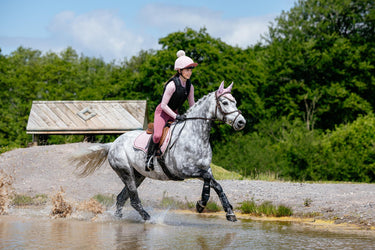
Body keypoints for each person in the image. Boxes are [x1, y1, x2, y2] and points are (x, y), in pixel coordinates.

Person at [145, 50, 198, 171]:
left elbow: (192, 105)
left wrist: (195, 116)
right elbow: (163, 105)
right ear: (180, 71)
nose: (189, 73)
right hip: (162, 113)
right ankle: (148, 158)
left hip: (174, 113)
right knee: (158, 135)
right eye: (187, 70)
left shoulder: (190, 86)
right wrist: (176, 116)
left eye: (190, 70)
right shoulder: (172, 85)